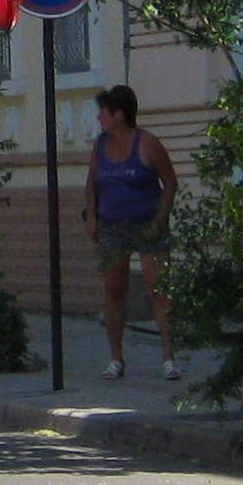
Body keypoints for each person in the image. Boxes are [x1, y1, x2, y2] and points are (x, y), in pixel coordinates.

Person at [83, 84, 179, 381]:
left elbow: (170, 183)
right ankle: (116, 358)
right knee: (113, 291)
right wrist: (92, 217)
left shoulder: (147, 143)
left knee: (159, 290)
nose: (99, 117)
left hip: (146, 224)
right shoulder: (101, 144)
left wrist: (160, 220)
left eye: (103, 112)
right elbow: (92, 182)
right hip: (112, 226)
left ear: (119, 114)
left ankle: (169, 357)